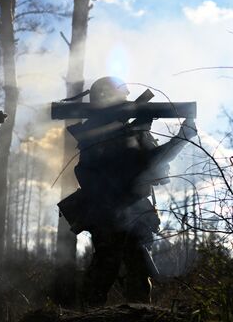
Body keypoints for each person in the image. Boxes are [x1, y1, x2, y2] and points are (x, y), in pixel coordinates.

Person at [67, 77, 197, 306]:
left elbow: (146, 163)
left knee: (135, 265)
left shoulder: (115, 131)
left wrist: (148, 129)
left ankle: (135, 312)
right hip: (109, 212)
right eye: (123, 98)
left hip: (129, 211)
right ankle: (90, 313)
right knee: (108, 264)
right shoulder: (100, 133)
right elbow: (146, 163)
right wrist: (182, 137)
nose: (127, 102)